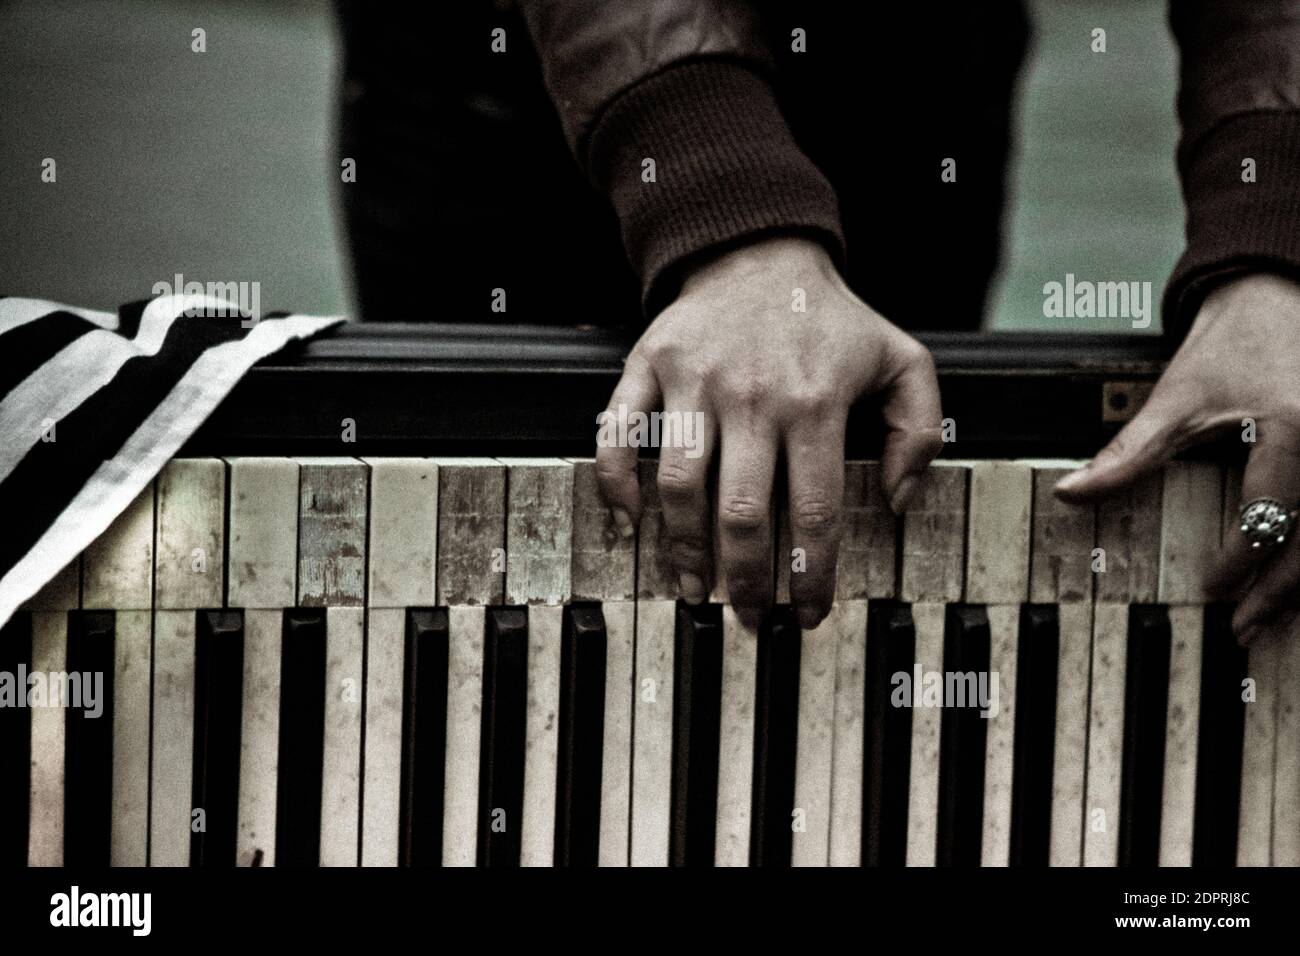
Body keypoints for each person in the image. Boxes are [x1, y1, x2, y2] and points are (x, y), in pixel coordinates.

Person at [339, 1, 1300, 640]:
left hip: (906, 68)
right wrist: (725, 206)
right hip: (516, 100)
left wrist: (1276, 243)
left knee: (854, 523)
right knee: (500, 591)